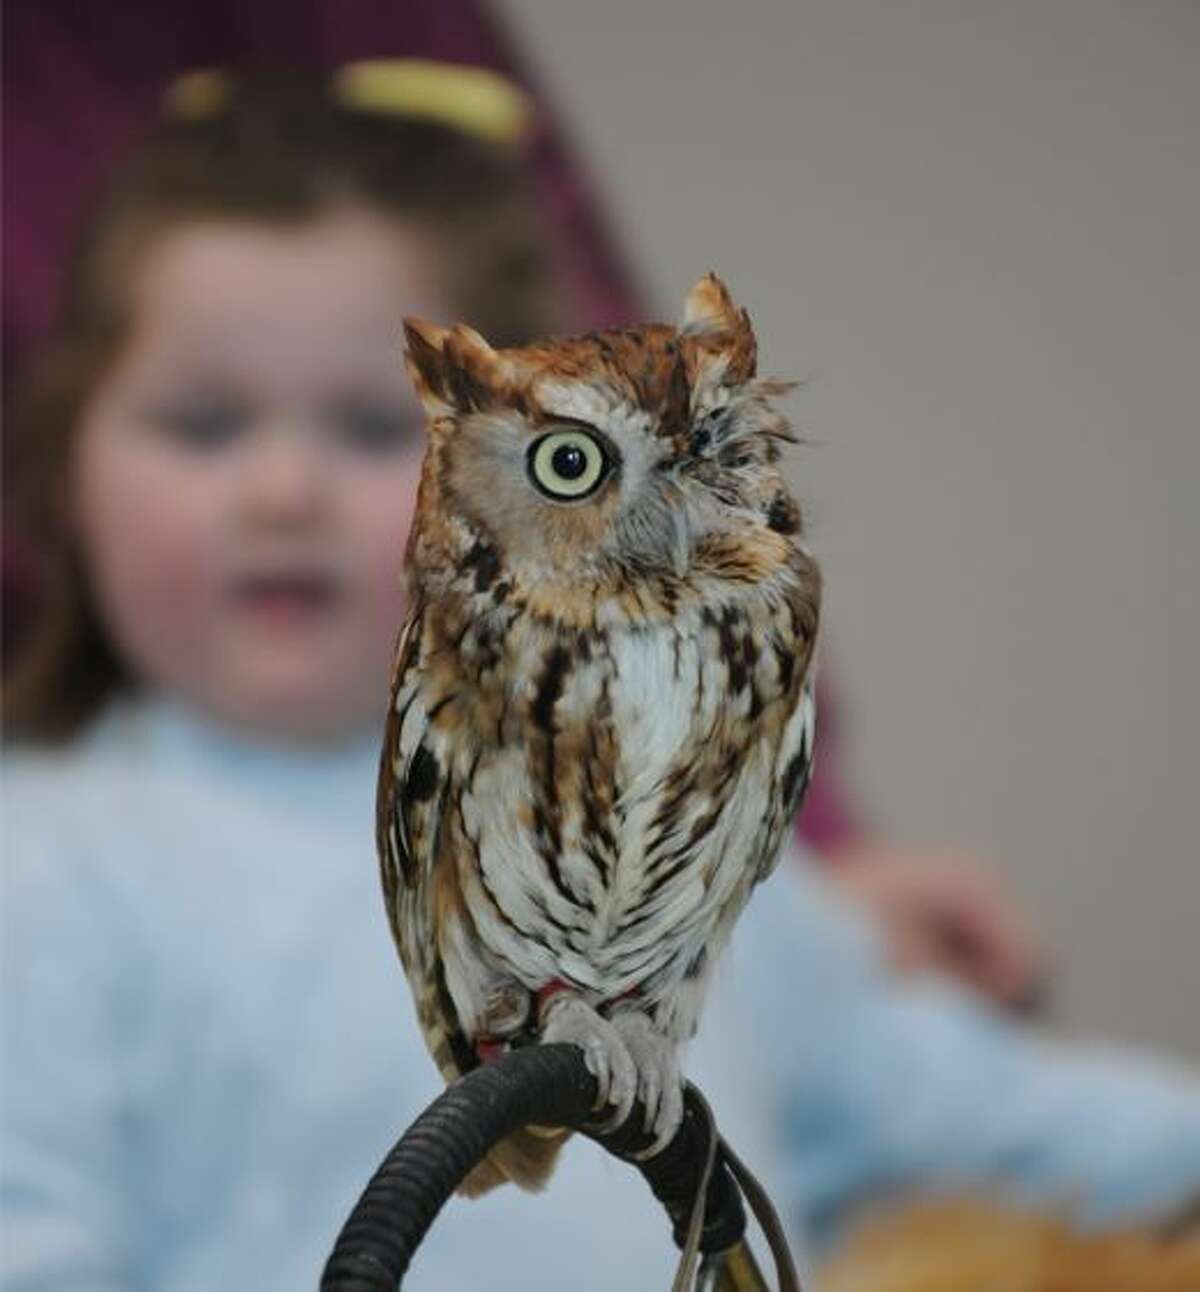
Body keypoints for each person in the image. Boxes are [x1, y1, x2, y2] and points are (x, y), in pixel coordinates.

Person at [3, 69, 1199, 1291]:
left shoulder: (704, 771)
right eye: (205, 424)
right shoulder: (43, 865)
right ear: (59, 463)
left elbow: (968, 1103)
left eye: (370, 431)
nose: (281, 493)